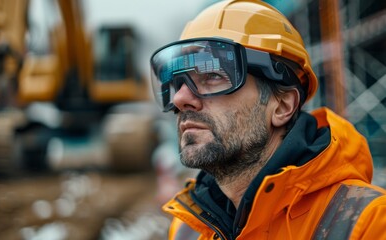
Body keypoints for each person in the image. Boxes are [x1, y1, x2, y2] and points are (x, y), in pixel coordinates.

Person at [149, 0, 386, 239]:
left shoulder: (366, 224)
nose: (180, 98)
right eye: (177, 82)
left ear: (282, 106)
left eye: (212, 75)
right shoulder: (188, 230)